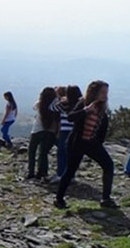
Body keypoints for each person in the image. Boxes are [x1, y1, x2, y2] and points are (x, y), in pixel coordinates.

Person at [55, 80, 116, 209]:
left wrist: (99, 143)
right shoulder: (83, 103)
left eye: (106, 92)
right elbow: (71, 117)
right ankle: (59, 199)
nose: (105, 95)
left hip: (92, 143)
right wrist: (85, 110)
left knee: (109, 165)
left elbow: (102, 127)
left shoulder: (102, 107)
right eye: (103, 92)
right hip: (77, 142)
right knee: (70, 171)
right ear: (95, 93)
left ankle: (106, 198)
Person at [49, 85, 81, 183]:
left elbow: (51, 107)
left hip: (65, 131)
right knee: (72, 155)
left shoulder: (63, 104)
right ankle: (71, 176)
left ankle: (60, 174)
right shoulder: (80, 104)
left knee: (62, 153)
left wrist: (58, 98)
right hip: (76, 131)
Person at [26, 87, 58, 180]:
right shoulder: (56, 104)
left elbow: (33, 107)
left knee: (32, 152)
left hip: (37, 130)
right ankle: (42, 172)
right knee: (43, 153)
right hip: (50, 131)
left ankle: (31, 172)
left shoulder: (39, 104)